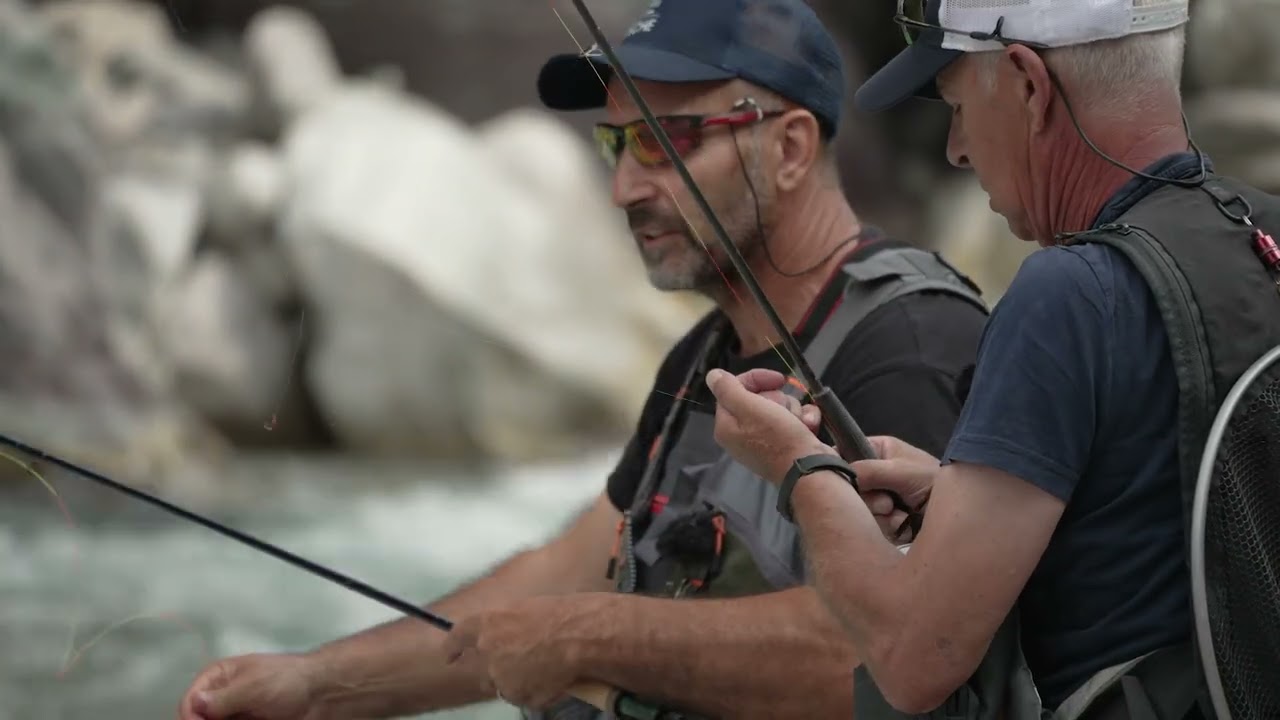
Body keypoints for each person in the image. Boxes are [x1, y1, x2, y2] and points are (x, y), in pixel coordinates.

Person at [175, 1, 990, 719]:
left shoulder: (908, 347)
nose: (624, 188)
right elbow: (569, 575)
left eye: (664, 141)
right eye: (615, 145)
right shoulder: (704, 358)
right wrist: (317, 688)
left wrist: (589, 637)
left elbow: (884, 660)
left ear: (790, 148)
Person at [705, 0, 1280, 718]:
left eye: (956, 106)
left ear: (1029, 85)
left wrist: (798, 469)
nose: (955, 149)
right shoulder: (1264, 228)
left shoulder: (1066, 296)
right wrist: (959, 496)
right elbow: (1177, 505)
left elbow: (915, 660)